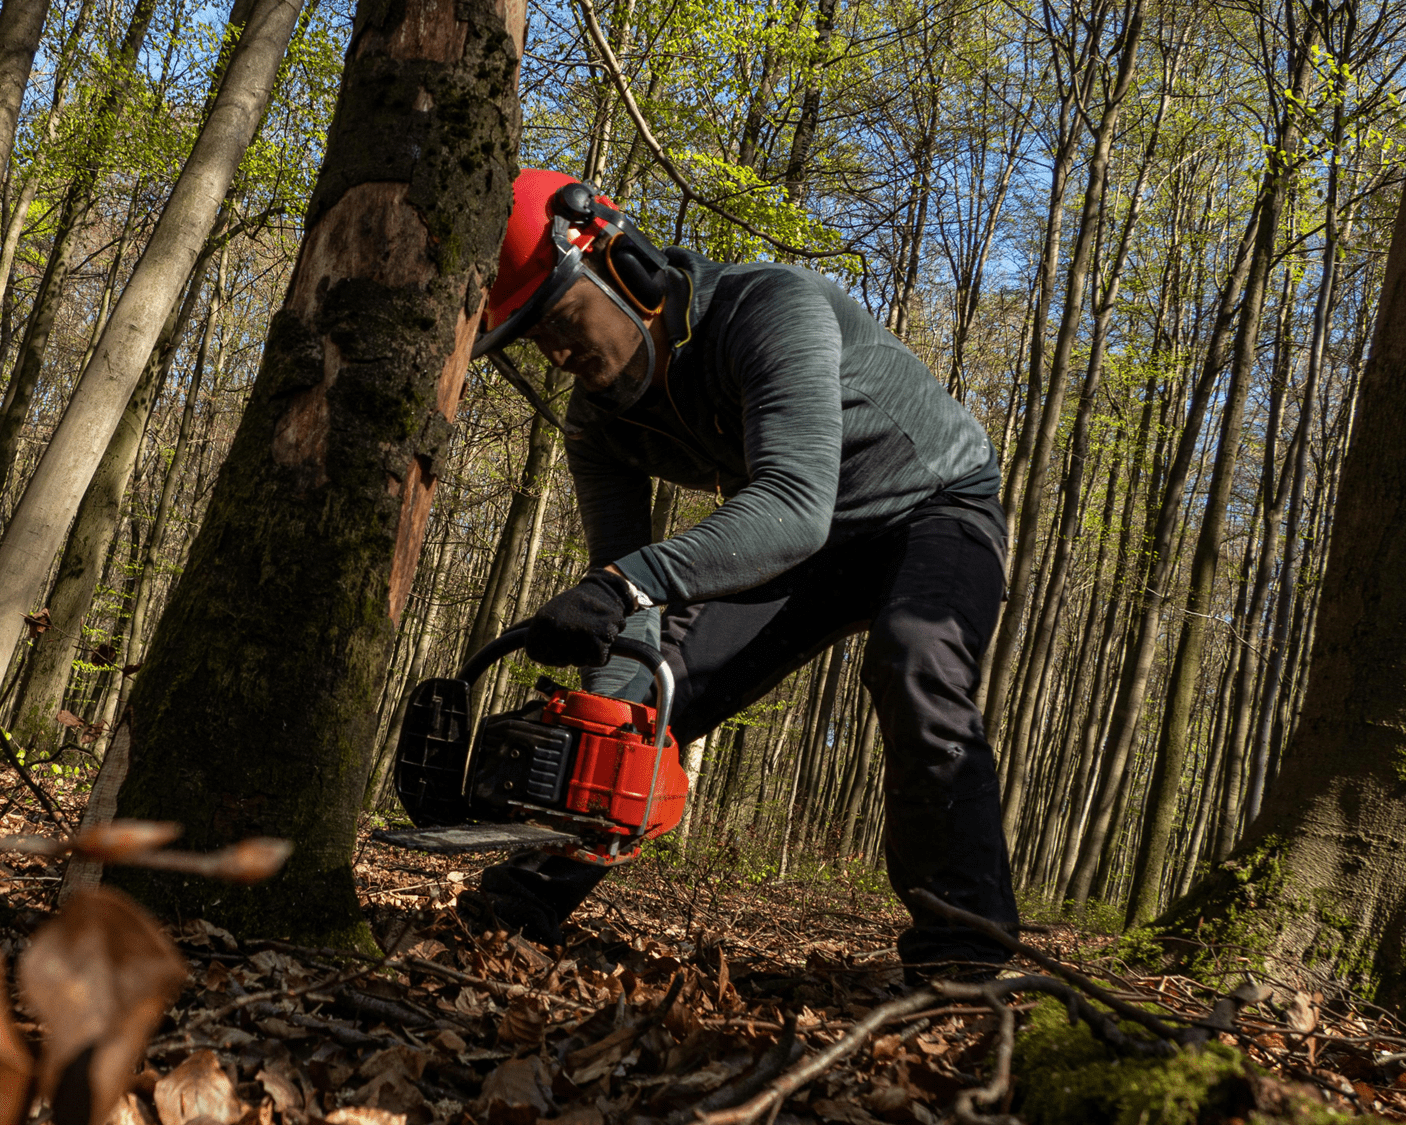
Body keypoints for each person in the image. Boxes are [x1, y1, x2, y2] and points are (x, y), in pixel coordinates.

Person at [462, 168, 1019, 983]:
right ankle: (521, 900)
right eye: (534, 339)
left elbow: (792, 505)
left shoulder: (771, 309)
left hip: (933, 507)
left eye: (561, 317)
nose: (558, 353)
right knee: (649, 688)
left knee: (916, 657)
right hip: (810, 546)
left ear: (624, 267)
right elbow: (633, 600)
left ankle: (963, 955)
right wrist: (612, 656)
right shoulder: (598, 424)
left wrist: (624, 585)